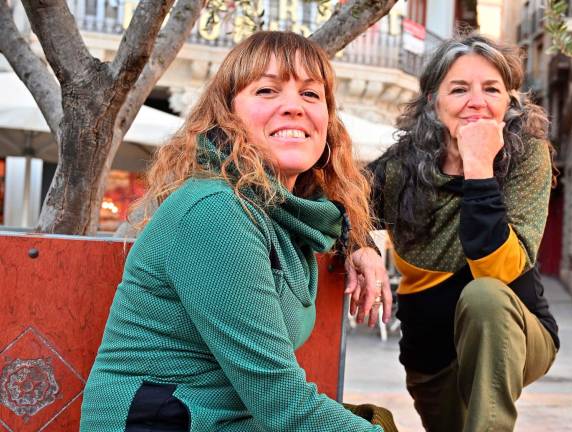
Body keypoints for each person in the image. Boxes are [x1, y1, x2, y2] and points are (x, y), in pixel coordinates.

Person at [81, 31, 395, 432]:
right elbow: (286, 406)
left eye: (311, 95)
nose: (294, 107)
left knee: (375, 420)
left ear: (328, 125)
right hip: (166, 422)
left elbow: (328, 218)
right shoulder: (215, 211)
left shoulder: (283, 214)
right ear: (226, 114)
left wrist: (358, 245)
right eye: (267, 90)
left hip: (227, 418)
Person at [358, 34, 560, 431]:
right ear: (434, 102)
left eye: (491, 89)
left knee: (485, 295)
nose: (477, 101)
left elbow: (498, 271)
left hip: (516, 333)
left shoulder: (526, 155)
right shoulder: (400, 168)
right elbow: (341, 208)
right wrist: (360, 245)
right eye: (459, 89)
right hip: (430, 353)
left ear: (509, 101)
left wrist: (479, 167)